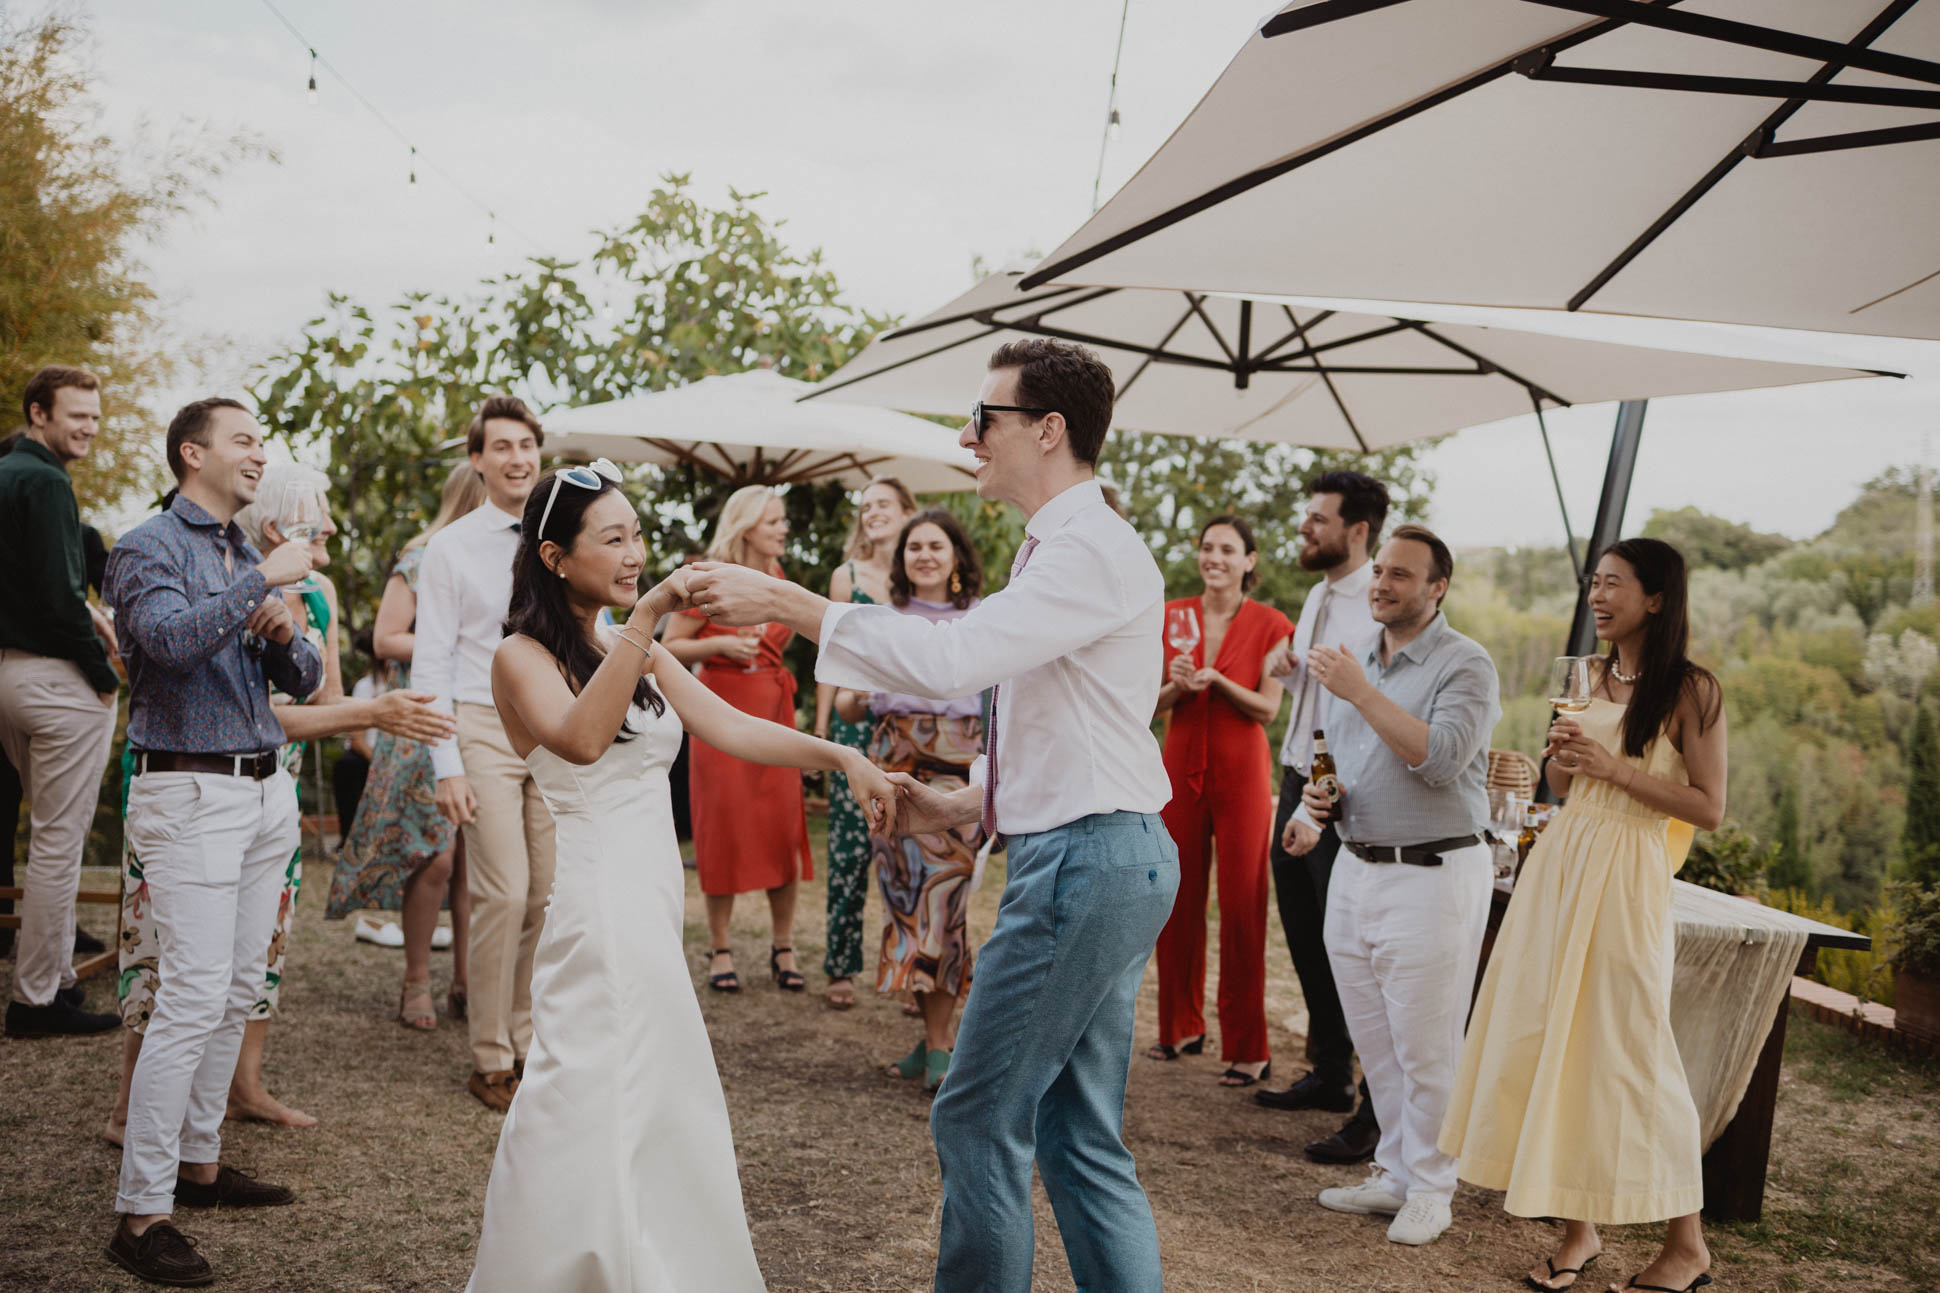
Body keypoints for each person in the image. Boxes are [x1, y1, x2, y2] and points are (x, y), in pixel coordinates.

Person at [688, 338, 1180, 1293]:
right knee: (1077, 1133)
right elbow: (1069, 719)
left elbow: (958, 661)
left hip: (1086, 864)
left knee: (976, 1113)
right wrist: (963, 799)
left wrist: (782, 599)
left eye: (983, 418)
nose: (966, 435)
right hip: (1106, 850)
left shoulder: (1087, 549)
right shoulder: (1066, 548)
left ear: (1048, 429)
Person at [466, 466, 896, 1293]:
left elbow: (730, 725)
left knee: (657, 1092)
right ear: (554, 556)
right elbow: (582, 741)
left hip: (652, 896)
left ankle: (652, 1260)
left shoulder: (631, 645)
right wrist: (651, 614)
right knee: (584, 1088)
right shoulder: (519, 654)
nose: (635, 554)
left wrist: (839, 755)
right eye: (614, 538)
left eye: (637, 534)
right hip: (600, 902)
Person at [107, 466, 453, 1142]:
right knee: (169, 956)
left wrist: (374, 729)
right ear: (275, 528)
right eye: (316, 515)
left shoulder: (316, 592)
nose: (328, 526)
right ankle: (129, 1109)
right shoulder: (220, 576)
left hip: (275, 789)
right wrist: (377, 712)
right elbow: (261, 717)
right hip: (199, 777)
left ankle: (245, 1087)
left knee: (257, 950)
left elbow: (322, 700)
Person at [1440, 539, 1726, 1293]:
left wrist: (1616, 768)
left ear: (1656, 598)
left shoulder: (1692, 690)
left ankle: (1687, 1246)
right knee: (1549, 1035)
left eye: (1614, 584)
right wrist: (1562, 752)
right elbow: (1562, 782)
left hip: (1629, 873)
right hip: (1564, 862)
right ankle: (1578, 1229)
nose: (1598, 596)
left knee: (1634, 1047)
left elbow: (1710, 806)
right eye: (1593, 583)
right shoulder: (1589, 674)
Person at [99, 398, 323, 1287]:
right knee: (188, 995)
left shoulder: (242, 552)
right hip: (188, 788)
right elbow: (163, 643)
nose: (260, 454)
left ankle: (199, 1165)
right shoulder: (145, 545)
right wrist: (256, 588)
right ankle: (140, 1212)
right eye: (245, 440)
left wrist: (283, 632)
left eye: (264, 441)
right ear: (194, 452)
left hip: (264, 788)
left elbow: (299, 679)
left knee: (235, 986)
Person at [1283, 524, 1499, 1248]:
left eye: (1401, 574)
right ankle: (1397, 1174)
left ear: (1437, 588)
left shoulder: (1466, 664)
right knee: (1376, 1040)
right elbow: (1340, 765)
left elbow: (1436, 759)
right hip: (1356, 865)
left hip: (1433, 872)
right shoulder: (1358, 664)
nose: (1381, 583)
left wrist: (1358, 691)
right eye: (1379, 571)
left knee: (1426, 1042)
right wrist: (1315, 807)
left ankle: (1434, 1189)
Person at [415, 396, 556, 1112]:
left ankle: (531, 1037)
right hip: (481, 724)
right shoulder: (451, 546)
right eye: (500, 446)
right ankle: (490, 1054)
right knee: (501, 889)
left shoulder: (562, 534)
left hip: (557, 725)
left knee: (546, 892)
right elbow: (429, 659)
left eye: (526, 444)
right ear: (478, 460)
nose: (516, 458)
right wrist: (446, 765)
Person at [1254, 471, 1389, 1160]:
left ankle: (1373, 1100)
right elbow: (1307, 683)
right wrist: (1286, 662)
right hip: (1296, 770)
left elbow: (1362, 709)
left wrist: (1323, 795)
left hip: (1338, 786)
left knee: (1348, 941)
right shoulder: (1315, 593)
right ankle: (1331, 1070)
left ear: (1357, 530)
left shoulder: (1375, 602)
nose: (1305, 527)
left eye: (1317, 518)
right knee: (1305, 930)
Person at [327, 460, 488, 1029]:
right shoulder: (423, 558)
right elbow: (385, 636)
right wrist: (454, 641)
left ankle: (472, 980)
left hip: (489, 718)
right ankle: (416, 980)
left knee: (480, 861)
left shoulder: (507, 559)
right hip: (425, 720)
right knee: (436, 857)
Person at [833, 508, 986, 1092]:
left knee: (944, 902)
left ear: (955, 559)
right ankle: (932, 1041)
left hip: (957, 773)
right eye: (914, 547)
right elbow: (849, 705)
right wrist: (857, 697)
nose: (923, 555)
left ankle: (944, 1045)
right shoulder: (884, 620)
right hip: (892, 766)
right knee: (907, 904)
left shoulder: (981, 618)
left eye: (935, 546)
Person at [1149, 514, 1292, 1086]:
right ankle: (1179, 1026)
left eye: (1228, 549)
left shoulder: (1272, 623)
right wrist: (1177, 685)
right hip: (1178, 764)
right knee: (1175, 898)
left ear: (1249, 560)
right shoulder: (1171, 617)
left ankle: (1247, 1048)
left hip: (1242, 771)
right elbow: (1148, 705)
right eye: (1208, 547)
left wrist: (1219, 681)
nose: (1215, 558)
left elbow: (1268, 709)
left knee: (1241, 904)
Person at [0, 368, 121, 1037]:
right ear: (39, 412)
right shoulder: (44, 479)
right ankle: (35, 999)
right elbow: (56, 596)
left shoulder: (7, 471)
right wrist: (103, 671)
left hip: (9, 677)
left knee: (50, 837)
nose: (89, 428)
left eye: (96, 417)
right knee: (57, 841)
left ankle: (58, 980)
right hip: (53, 679)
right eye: (76, 415)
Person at [663, 485, 815, 994]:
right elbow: (667, 646)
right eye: (774, 520)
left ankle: (784, 944)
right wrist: (723, 642)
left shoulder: (780, 581)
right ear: (746, 524)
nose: (783, 528)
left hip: (774, 705)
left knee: (781, 825)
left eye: (783, 520)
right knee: (722, 825)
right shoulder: (708, 576)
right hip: (719, 709)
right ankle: (721, 946)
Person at [814, 475, 918, 1010]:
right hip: (855, 727)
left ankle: (908, 968)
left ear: (907, 511)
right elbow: (832, 657)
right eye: (866, 506)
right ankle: (840, 967)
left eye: (884, 504)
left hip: (907, 729)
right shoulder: (845, 576)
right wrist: (823, 725)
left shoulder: (920, 575)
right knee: (851, 849)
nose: (873, 512)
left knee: (907, 852)